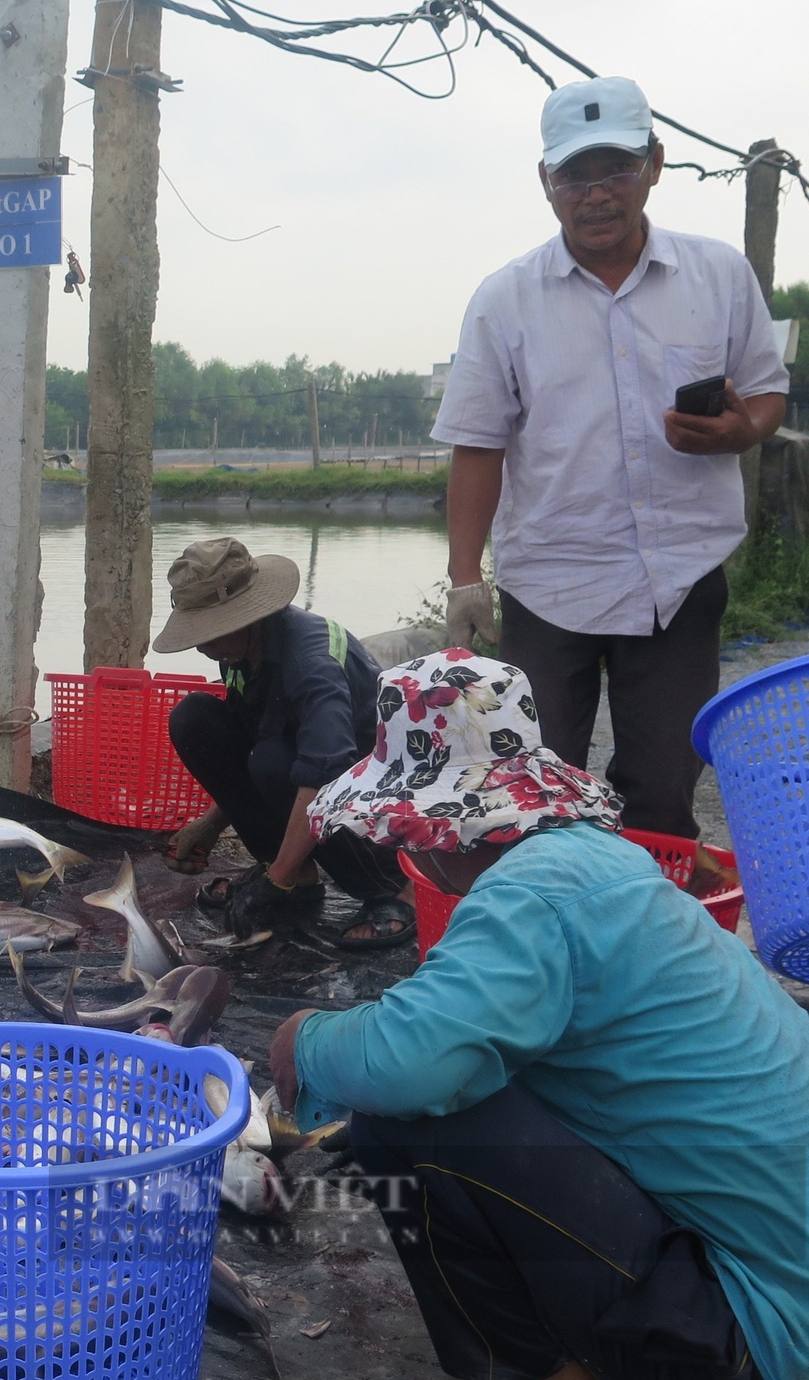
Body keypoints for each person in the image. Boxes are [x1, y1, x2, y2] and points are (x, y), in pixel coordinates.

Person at [271, 649, 809, 1380]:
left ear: (436, 829)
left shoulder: (533, 890)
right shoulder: (603, 859)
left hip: (762, 1326)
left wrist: (302, 1041)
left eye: (402, 835)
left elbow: (411, 1063)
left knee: (404, 1119)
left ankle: (526, 1369)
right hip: (778, 1267)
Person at [433, 75, 789, 843]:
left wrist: (736, 432)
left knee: (662, 792)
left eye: (616, 170)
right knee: (533, 794)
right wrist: (466, 576)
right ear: (546, 183)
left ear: (655, 164)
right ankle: (555, 943)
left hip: (681, 578)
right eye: (575, 176)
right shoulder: (505, 299)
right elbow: (478, 443)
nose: (596, 194)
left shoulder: (720, 274)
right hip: (549, 583)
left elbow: (766, 395)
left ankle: (647, 944)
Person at [154, 537, 413, 948]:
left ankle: (393, 887)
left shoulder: (312, 662)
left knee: (273, 761)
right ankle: (299, 875)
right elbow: (254, 740)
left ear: (246, 617)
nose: (203, 645)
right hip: (304, 773)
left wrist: (276, 881)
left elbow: (325, 770)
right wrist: (210, 824)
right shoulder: (240, 650)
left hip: (380, 793)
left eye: (212, 632)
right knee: (194, 718)